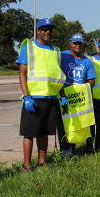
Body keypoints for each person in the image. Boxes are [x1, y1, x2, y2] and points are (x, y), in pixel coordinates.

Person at [17, 18, 67, 173]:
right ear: (38, 31)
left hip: (51, 98)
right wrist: (26, 97)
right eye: (44, 29)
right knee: (29, 133)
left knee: (45, 132)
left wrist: (62, 96)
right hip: (34, 98)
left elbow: (57, 76)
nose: (47, 32)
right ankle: (27, 165)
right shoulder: (29, 47)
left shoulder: (56, 51)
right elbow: (22, 74)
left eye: (50, 29)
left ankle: (42, 162)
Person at [57, 33, 96, 160]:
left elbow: (91, 80)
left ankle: (72, 152)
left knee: (76, 125)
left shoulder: (87, 61)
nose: (78, 45)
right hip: (63, 97)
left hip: (79, 99)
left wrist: (82, 88)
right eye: (75, 43)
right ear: (70, 43)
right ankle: (65, 154)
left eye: (80, 43)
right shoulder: (62, 56)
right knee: (64, 126)